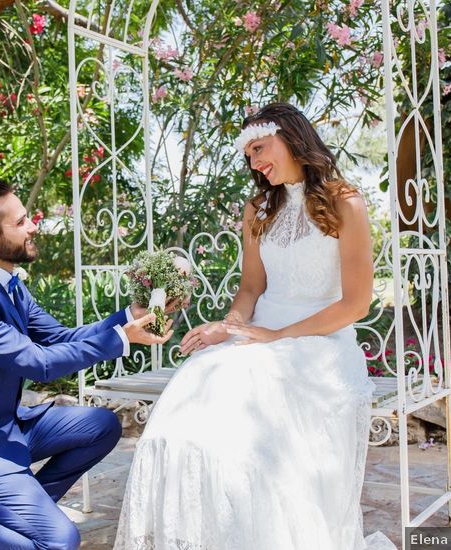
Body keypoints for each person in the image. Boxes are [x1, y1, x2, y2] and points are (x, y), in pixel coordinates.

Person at [113, 103, 396, 549]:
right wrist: (227, 328)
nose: (254, 162)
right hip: (258, 336)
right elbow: (250, 289)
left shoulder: (346, 203)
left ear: (292, 138)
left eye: (259, 148)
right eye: (247, 155)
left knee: (257, 430)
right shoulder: (259, 207)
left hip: (320, 340)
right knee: (192, 396)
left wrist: (278, 336)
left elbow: (356, 304)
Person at [0, 181, 174, 550]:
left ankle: (25, 521)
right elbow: (38, 364)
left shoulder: (7, 284)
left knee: (102, 425)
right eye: (22, 221)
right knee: (58, 543)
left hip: (9, 428)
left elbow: (58, 338)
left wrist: (126, 318)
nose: (33, 226)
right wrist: (122, 339)